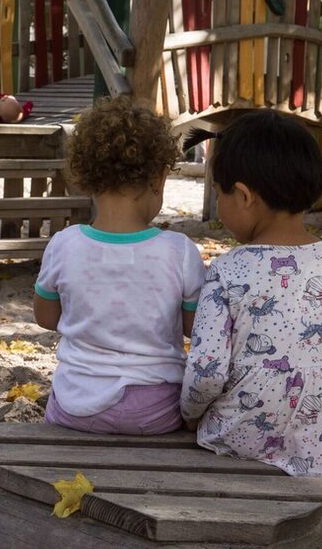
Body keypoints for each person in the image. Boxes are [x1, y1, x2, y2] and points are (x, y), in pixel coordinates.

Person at [179, 111, 322, 484]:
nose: (219, 206)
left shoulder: (226, 271)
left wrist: (190, 415)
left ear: (242, 196)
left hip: (240, 438)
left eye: (218, 194)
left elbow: (207, 371)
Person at [33, 97, 205, 435]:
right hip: (153, 411)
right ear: (159, 179)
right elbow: (193, 328)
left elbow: (46, 318)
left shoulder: (63, 244)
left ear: (87, 177)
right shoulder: (179, 251)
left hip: (75, 406)